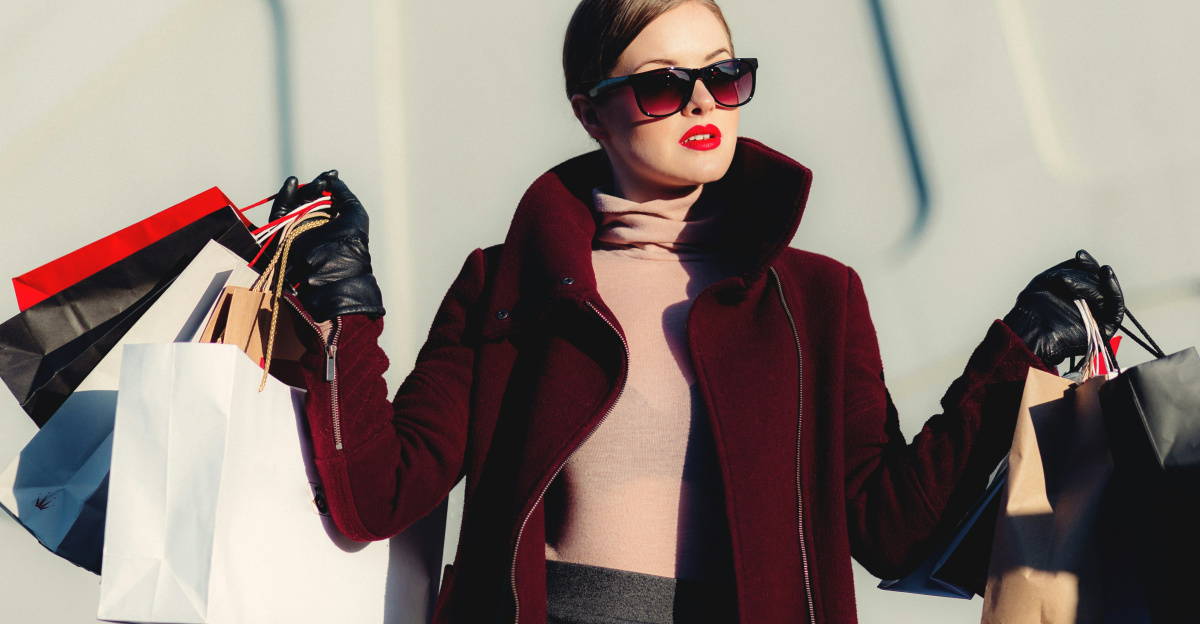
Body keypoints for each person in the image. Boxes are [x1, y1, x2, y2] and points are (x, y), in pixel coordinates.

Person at [268, 1, 1124, 622]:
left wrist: (1018, 350)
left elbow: (889, 531)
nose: (706, 103)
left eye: (724, 74)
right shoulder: (509, 284)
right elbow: (377, 496)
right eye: (662, 88)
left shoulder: (818, 299)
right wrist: (345, 307)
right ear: (590, 111)